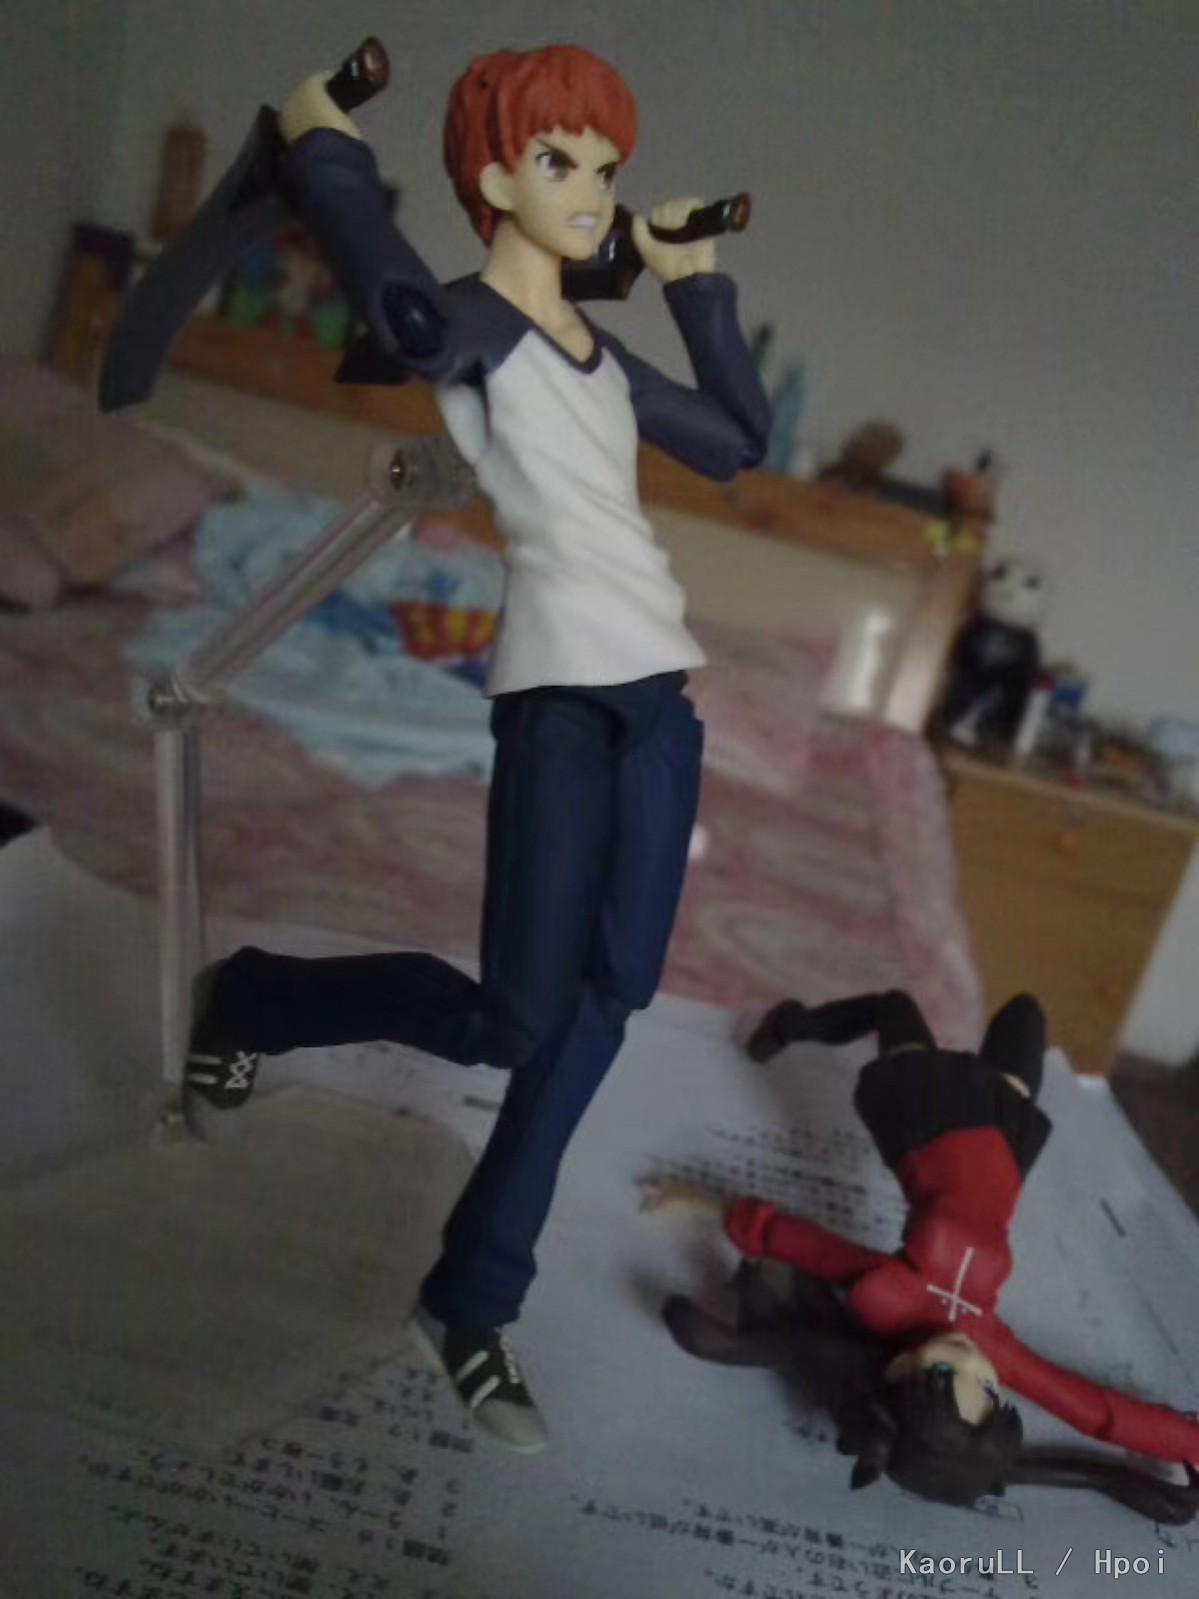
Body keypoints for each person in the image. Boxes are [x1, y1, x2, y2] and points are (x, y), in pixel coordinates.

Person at [183, 42, 770, 1454]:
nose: (591, 191)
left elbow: (738, 441)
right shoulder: (470, 327)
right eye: (558, 161)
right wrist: (321, 144)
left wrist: (690, 278)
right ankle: (251, 997)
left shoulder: (599, 354)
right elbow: (395, 308)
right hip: (557, 700)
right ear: (496, 180)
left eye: (604, 168)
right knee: (515, 1020)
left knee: (603, 1006)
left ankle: (470, 1300)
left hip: (658, 704)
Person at [642, 990, 1199, 1505]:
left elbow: (805, 1244)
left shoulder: (890, 1294)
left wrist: (711, 1204)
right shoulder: (993, 1347)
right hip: (1002, 1144)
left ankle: (792, 1025)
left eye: (946, 1375)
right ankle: (796, 1025)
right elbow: (1095, 1411)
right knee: (1026, 1015)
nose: (970, 1359)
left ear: (898, 1372)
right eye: (986, 1388)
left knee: (895, 1007)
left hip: (928, 1124)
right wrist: (1188, 1441)